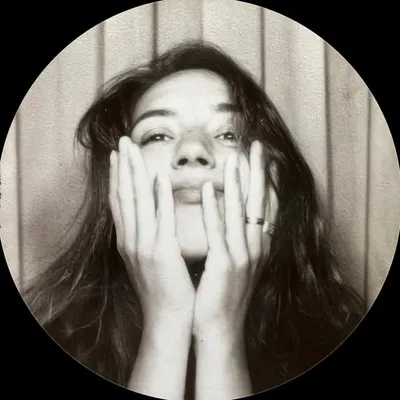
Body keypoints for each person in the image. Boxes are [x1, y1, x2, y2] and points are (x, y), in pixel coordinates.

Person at [23, 40, 364, 400]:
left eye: (229, 133)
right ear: (116, 182)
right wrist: (167, 319)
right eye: (157, 135)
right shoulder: (55, 333)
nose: (193, 150)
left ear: (272, 177)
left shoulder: (337, 334)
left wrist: (220, 331)